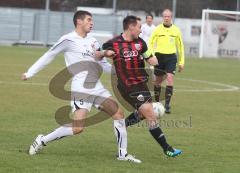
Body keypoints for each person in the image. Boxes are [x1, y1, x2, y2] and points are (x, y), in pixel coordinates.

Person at [21, 10, 141, 163]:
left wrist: (120, 72)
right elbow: (49, 55)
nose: (92, 23)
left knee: (118, 113)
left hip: (96, 87)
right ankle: (42, 139)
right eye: (89, 20)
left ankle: (122, 155)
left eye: (92, 20)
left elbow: (102, 62)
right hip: (81, 88)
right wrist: (29, 73)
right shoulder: (68, 40)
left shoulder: (93, 41)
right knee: (78, 128)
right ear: (79, 21)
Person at [102, 15, 182, 157]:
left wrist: (157, 59)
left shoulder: (141, 43)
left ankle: (123, 124)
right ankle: (167, 148)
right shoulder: (114, 43)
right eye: (139, 27)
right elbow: (100, 52)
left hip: (141, 84)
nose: (141, 30)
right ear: (131, 27)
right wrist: (106, 53)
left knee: (145, 114)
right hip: (127, 86)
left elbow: (151, 60)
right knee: (151, 115)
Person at [148, 9, 185, 114]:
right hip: (159, 57)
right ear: (162, 17)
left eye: (168, 16)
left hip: (171, 58)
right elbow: (150, 43)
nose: (166, 18)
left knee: (169, 78)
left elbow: (180, 47)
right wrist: (151, 56)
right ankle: (157, 102)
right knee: (158, 81)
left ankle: (167, 105)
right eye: (165, 16)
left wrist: (181, 62)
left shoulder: (176, 30)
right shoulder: (157, 29)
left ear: (171, 17)